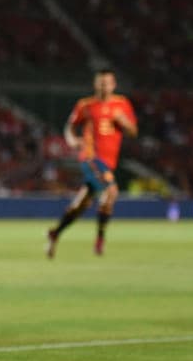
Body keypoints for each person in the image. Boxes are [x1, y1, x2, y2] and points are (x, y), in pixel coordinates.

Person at [46, 69, 137, 258]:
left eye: (108, 83)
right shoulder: (86, 105)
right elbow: (70, 126)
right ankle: (100, 241)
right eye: (101, 83)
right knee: (111, 192)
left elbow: (133, 132)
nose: (104, 86)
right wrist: (72, 140)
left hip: (109, 162)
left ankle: (55, 233)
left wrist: (123, 122)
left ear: (114, 85)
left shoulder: (122, 104)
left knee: (81, 205)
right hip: (91, 158)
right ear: (96, 84)